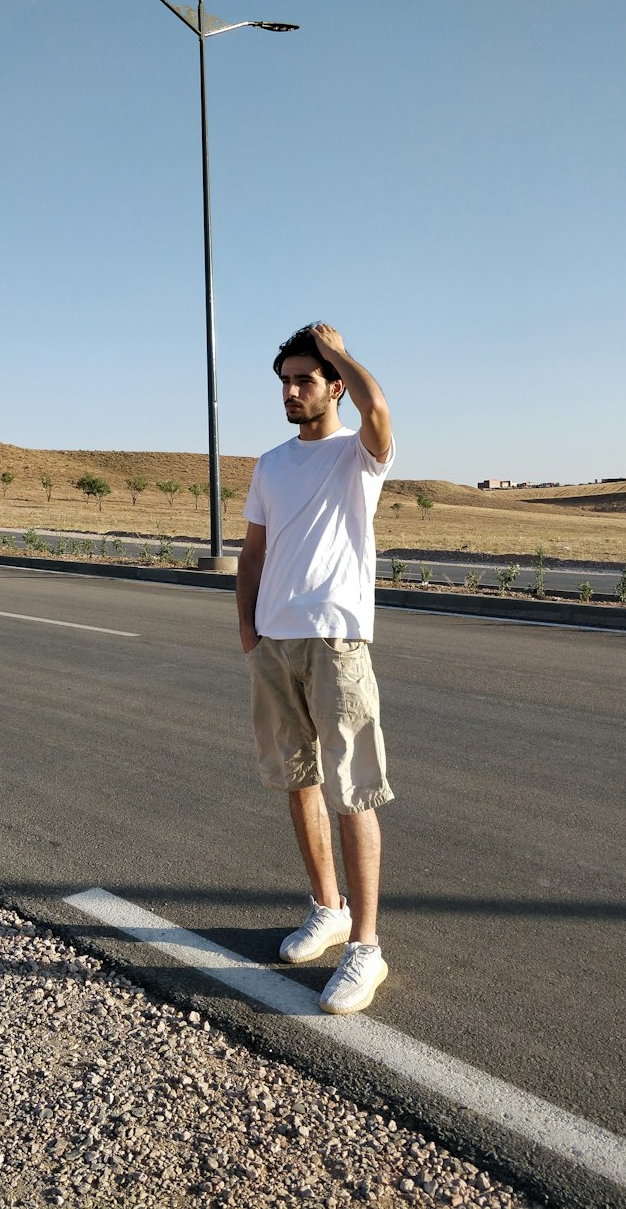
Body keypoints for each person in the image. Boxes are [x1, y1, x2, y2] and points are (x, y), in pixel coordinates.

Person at [237, 322, 395, 1015]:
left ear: (332, 383)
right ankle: (326, 908)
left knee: (352, 790)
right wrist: (249, 632)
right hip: (275, 645)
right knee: (297, 781)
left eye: (306, 379)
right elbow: (252, 553)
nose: (292, 391)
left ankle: (366, 945)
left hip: (336, 644)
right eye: (285, 381)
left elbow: (380, 410)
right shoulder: (271, 463)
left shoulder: (356, 455)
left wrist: (340, 352)